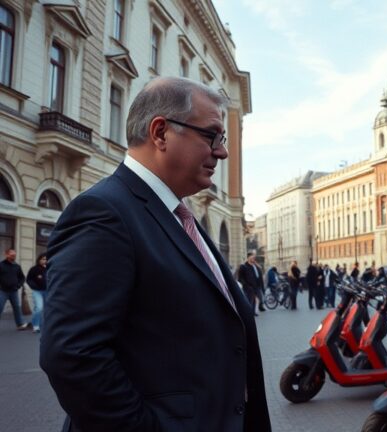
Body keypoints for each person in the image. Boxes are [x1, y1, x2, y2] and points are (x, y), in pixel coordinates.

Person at [40, 77, 270, 431]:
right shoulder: (104, 212)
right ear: (161, 133)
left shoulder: (176, 216)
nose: (222, 152)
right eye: (211, 136)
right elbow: (73, 355)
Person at [0, 248, 29, 330]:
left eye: (14, 255)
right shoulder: (1, 265)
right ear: (6, 254)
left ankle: (20, 324)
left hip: (14, 291)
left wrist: (18, 285)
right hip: (3, 291)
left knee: (17, 308)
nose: (13, 256)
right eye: (12, 255)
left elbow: (22, 278)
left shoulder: (17, 266)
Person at [26, 253, 47, 333]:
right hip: (37, 291)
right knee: (39, 308)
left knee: (48, 309)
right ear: (39, 260)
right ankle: (36, 325)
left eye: (46, 259)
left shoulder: (49, 268)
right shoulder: (34, 269)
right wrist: (34, 286)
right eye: (43, 259)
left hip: (47, 291)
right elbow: (28, 279)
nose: (45, 261)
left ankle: (45, 324)